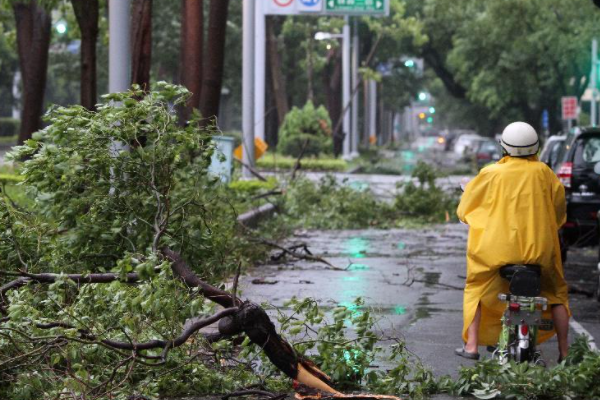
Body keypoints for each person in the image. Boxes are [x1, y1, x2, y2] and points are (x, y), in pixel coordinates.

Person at [455, 121, 570, 361]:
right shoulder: (545, 173)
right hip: (540, 252)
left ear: (504, 147)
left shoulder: (491, 173)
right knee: (557, 294)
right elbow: (559, 213)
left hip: (495, 253)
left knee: (476, 287)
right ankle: (564, 352)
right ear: (535, 147)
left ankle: (472, 346)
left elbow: (465, 209)